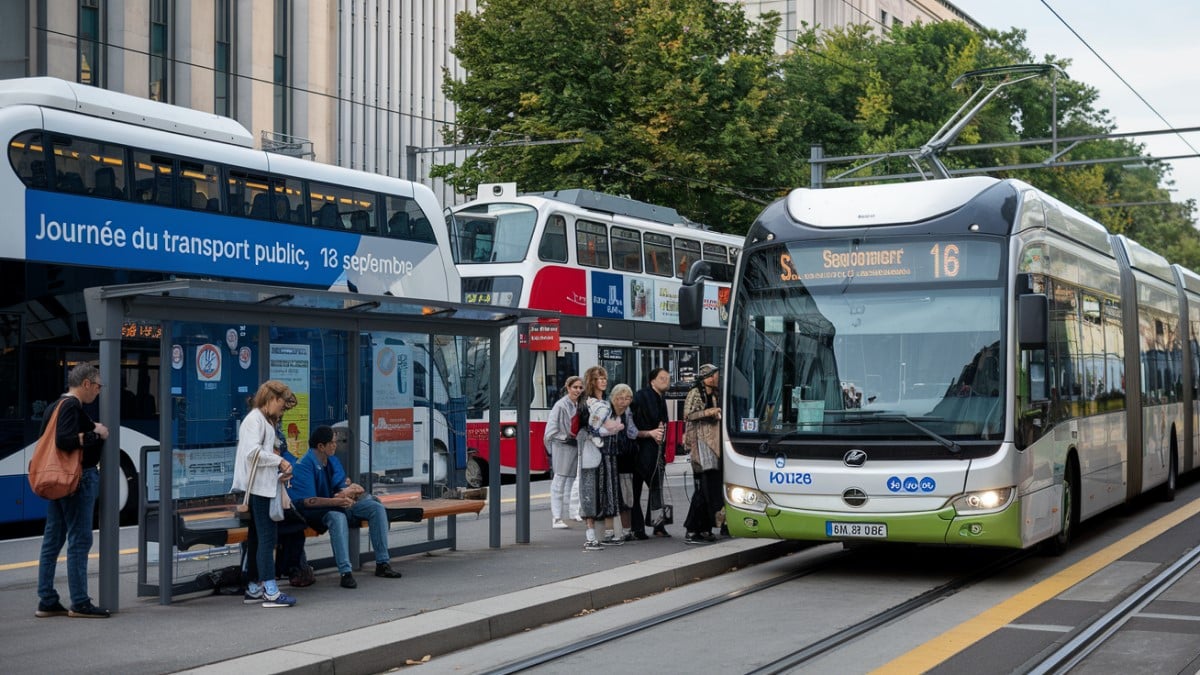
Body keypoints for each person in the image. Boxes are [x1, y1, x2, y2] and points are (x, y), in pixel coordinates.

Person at [35, 363, 111, 618]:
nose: (99, 391)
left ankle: (47, 599)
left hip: (59, 479)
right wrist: (96, 433)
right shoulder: (71, 406)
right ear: (86, 383)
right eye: (98, 385)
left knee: (53, 540)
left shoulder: (53, 406)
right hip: (76, 480)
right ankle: (79, 601)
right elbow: (64, 440)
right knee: (80, 540)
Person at [288, 425, 404, 588]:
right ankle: (345, 572)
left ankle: (383, 564)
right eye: (332, 443)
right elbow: (308, 501)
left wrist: (350, 491)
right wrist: (338, 501)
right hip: (314, 513)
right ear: (321, 446)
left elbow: (340, 487)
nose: (336, 445)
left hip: (336, 504)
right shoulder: (303, 465)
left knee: (375, 507)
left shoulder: (332, 460)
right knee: (338, 517)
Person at [232, 380, 297, 607]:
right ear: (271, 399)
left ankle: (253, 587)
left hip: (261, 486)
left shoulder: (259, 420)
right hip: (259, 489)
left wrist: (278, 470)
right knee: (267, 538)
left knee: (257, 538)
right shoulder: (255, 420)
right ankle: (270, 589)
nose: (282, 409)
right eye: (281, 403)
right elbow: (253, 453)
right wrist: (280, 462)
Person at [683, 364, 723, 545]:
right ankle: (693, 529)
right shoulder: (695, 393)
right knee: (703, 490)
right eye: (714, 375)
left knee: (712, 490)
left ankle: (706, 528)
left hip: (713, 445)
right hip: (700, 446)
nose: (716, 378)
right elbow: (689, 415)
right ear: (707, 377)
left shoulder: (715, 393)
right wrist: (711, 412)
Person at [631, 367, 671, 539]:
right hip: (640, 450)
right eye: (662, 378)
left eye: (668, 378)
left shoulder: (661, 398)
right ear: (652, 380)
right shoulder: (641, 396)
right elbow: (632, 422)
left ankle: (657, 524)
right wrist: (650, 432)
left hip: (655, 451)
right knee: (637, 490)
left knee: (656, 489)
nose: (666, 381)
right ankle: (638, 527)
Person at [577, 365, 612, 551]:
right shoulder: (586, 402)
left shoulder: (604, 401)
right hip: (590, 448)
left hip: (601, 448)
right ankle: (590, 534)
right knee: (589, 489)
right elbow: (586, 426)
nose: (604, 380)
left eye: (604, 377)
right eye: (599, 378)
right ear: (592, 381)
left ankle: (598, 533)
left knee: (600, 489)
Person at [544, 376, 584, 529]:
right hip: (562, 446)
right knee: (559, 481)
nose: (578, 390)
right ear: (568, 388)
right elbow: (550, 431)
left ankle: (571, 512)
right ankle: (557, 517)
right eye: (575, 387)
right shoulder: (560, 406)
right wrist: (566, 437)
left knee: (571, 481)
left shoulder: (580, 405)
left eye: (580, 388)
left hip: (574, 445)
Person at [604, 384, 640, 543]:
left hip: (626, 458)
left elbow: (633, 433)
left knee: (626, 496)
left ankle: (626, 530)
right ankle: (609, 530)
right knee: (610, 494)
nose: (624, 402)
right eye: (620, 398)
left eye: (627, 398)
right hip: (609, 457)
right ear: (613, 398)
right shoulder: (606, 412)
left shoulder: (629, 413)